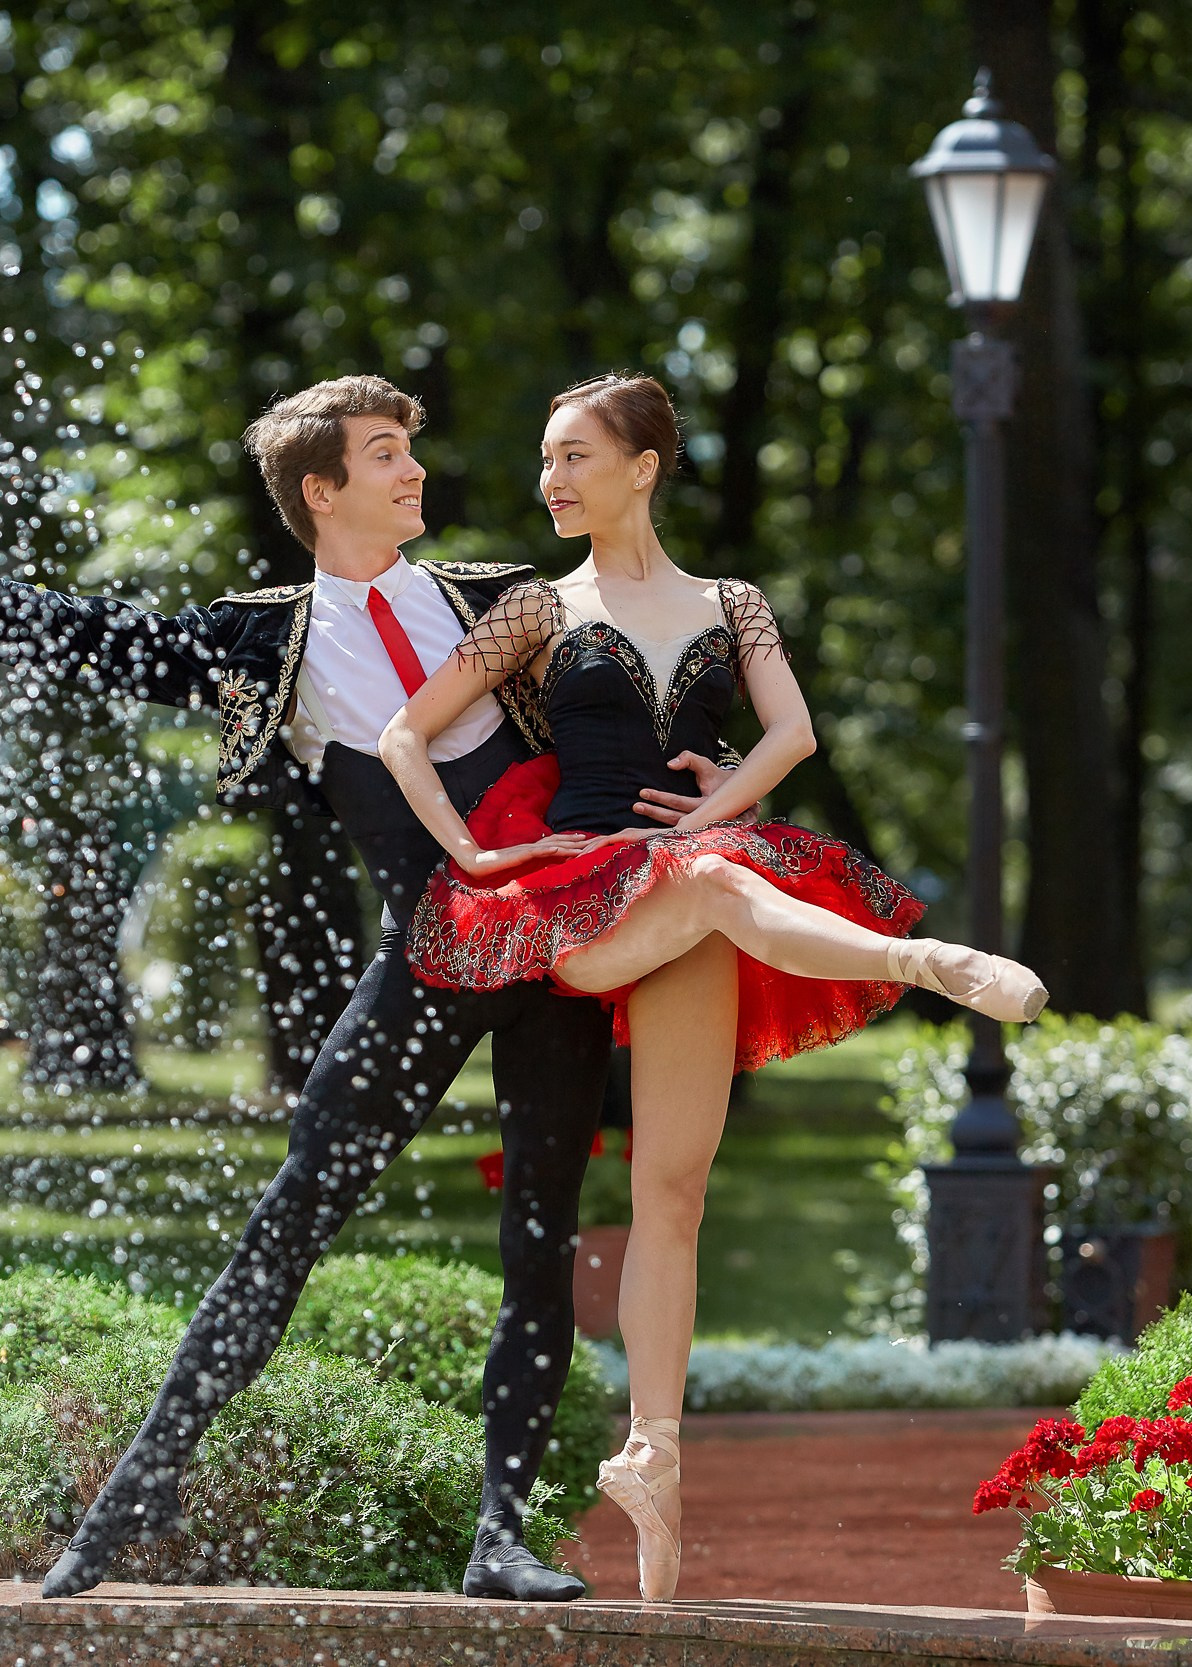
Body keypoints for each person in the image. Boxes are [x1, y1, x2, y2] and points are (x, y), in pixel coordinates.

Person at [0, 375, 717, 1601]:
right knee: (287, 1224)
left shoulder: (499, 599)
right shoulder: (267, 641)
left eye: (407, 451)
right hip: (432, 955)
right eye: (385, 456)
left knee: (539, 1248)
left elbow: (628, 693)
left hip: (561, 960)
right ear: (322, 492)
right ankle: (138, 1486)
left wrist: (708, 765)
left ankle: (500, 1531)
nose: (414, 472)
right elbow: (82, 633)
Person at [377, 372, 1046, 1601]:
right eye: (545, 458)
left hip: (686, 885)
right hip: (577, 900)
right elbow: (403, 736)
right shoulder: (532, 607)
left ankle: (655, 1453)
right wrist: (473, 851)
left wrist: (717, 805)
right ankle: (928, 961)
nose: (552, 479)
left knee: (674, 1189)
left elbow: (792, 736)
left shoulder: (733, 602)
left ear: (644, 465)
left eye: (574, 454)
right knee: (727, 890)